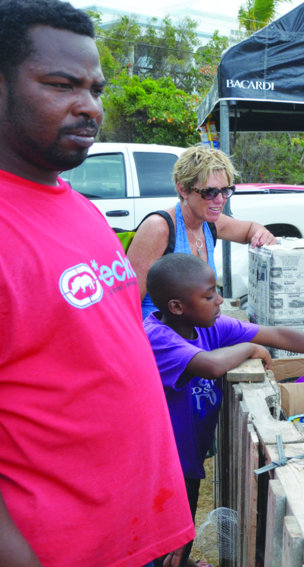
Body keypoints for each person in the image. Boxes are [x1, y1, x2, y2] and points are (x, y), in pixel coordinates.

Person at [0, 2, 193, 565]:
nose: (89, 107)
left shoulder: (80, 208)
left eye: (95, 88)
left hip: (141, 532)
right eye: (61, 85)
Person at [144, 253, 304, 567]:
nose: (219, 300)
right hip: (161, 466)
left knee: (180, 534)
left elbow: (278, 334)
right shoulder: (156, 338)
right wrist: (248, 347)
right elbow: (212, 366)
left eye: (216, 291)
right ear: (176, 307)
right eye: (208, 296)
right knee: (168, 540)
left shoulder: (205, 325)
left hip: (186, 460)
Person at [128, 144, 277, 319]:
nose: (220, 200)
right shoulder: (159, 228)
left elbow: (249, 229)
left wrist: (262, 233)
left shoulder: (209, 222)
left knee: (267, 337)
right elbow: (127, 301)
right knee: (254, 347)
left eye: (226, 190)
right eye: (210, 192)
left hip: (195, 328)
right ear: (183, 189)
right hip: (161, 332)